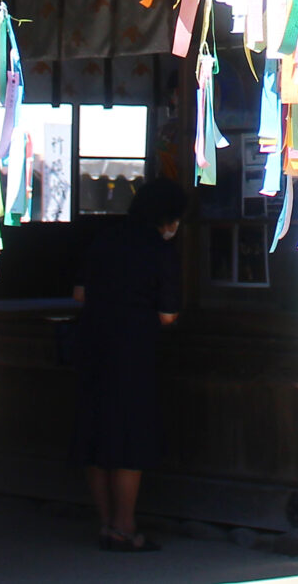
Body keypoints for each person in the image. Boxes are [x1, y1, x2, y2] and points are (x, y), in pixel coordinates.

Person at [71, 175, 185, 552]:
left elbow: (80, 294)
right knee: (130, 439)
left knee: (97, 434)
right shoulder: (160, 250)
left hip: (92, 344)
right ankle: (124, 526)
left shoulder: (104, 239)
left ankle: (106, 524)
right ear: (167, 218)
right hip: (133, 351)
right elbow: (168, 315)